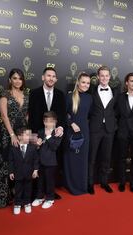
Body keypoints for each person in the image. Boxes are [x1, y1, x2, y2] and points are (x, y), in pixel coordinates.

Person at [0, 68, 28, 208]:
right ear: (10, 80)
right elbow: (4, 116)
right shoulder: (5, 94)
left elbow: (27, 116)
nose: (17, 81)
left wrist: (26, 135)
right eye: (15, 78)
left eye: (20, 78)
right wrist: (12, 135)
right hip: (7, 134)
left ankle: (18, 195)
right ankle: (1, 197)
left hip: (22, 133)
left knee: (20, 162)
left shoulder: (26, 94)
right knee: (4, 163)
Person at [28, 67, 65, 199]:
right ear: (43, 77)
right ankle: (38, 192)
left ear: (56, 79)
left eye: (53, 76)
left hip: (53, 136)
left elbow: (62, 115)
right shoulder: (34, 93)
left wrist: (60, 127)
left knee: (51, 166)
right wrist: (34, 138)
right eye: (48, 75)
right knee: (37, 165)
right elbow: (31, 118)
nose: (51, 78)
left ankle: (50, 191)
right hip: (38, 136)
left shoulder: (60, 94)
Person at [88, 66, 119, 194]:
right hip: (95, 128)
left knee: (106, 157)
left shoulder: (116, 92)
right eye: (102, 75)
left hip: (109, 130)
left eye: (107, 75)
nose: (104, 78)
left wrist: (113, 122)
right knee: (92, 158)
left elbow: (117, 110)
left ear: (109, 77)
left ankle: (104, 182)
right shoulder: (91, 91)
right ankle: (89, 183)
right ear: (98, 77)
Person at [63, 73, 92, 195]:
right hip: (71, 132)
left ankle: (82, 186)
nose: (85, 85)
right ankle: (72, 186)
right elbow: (62, 114)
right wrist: (71, 123)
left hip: (85, 131)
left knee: (82, 160)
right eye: (83, 82)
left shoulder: (90, 98)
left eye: (88, 83)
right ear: (78, 82)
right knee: (72, 160)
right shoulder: (70, 97)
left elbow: (90, 115)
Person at [32, 112, 63, 208]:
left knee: (50, 181)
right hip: (41, 161)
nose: (48, 124)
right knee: (40, 181)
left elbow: (54, 147)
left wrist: (49, 136)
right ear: (43, 122)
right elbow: (38, 146)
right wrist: (37, 144)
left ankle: (50, 199)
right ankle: (39, 197)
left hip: (51, 162)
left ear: (55, 122)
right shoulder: (41, 131)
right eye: (46, 121)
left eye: (51, 122)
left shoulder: (58, 132)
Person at [9, 128, 39, 215]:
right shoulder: (13, 147)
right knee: (18, 189)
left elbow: (36, 160)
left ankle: (27, 203)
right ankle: (17, 204)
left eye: (29, 135)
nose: (29, 137)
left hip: (29, 173)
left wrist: (35, 170)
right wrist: (11, 172)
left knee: (28, 189)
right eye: (27, 135)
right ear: (19, 137)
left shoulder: (32, 147)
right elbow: (11, 161)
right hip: (18, 173)